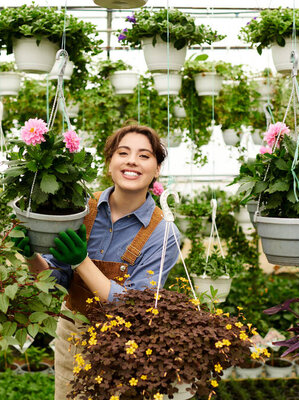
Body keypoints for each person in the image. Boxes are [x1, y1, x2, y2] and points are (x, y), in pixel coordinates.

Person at [14, 124, 181, 400]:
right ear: (109, 163)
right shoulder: (80, 210)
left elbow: (134, 306)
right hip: (72, 337)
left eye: (144, 155)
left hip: (125, 349)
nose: (132, 161)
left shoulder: (164, 233)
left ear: (157, 169)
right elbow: (56, 280)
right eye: (123, 152)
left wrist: (82, 261)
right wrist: (32, 257)